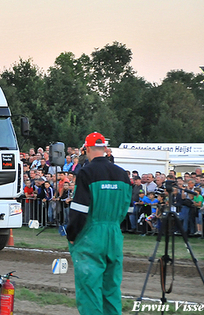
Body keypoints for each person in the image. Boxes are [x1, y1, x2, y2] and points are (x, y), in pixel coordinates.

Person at [66, 132, 131, 315]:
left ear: (86, 149)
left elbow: (79, 210)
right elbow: (125, 207)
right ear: (105, 149)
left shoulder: (86, 172)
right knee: (111, 289)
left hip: (91, 235)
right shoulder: (122, 174)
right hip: (114, 234)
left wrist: (71, 235)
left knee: (90, 289)